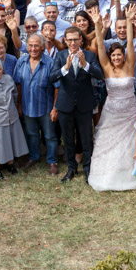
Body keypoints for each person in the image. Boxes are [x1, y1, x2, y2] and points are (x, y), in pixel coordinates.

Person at [89, 7, 136, 192]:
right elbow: (99, 47)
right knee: (109, 143)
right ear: (110, 57)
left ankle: (132, 176)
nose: (117, 57)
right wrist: (98, 24)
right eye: (114, 55)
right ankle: (108, 176)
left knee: (130, 144)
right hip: (112, 112)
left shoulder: (129, 65)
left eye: (119, 54)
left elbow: (129, 42)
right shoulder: (106, 67)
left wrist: (128, 21)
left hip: (130, 111)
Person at [49, 27, 104, 183]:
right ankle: (71, 169)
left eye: (75, 39)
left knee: (86, 138)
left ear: (81, 40)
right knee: (68, 139)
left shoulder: (89, 55)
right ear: (65, 41)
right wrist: (65, 68)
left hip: (84, 104)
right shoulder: (60, 56)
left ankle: (87, 169)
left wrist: (85, 64)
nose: (73, 43)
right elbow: (51, 78)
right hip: (65, 105)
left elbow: (99, 75)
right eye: (69, 40)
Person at [13, 34, 60, 174]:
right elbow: (18, 85)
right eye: (30, 45)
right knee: (31, 133)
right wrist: (19, 105)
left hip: (46, 107)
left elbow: (57, 87)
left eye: (36, 46)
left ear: (42, 47)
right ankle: (34, 157)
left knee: (50, 136)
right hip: (28, 107)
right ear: (27, 47)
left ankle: (52, 161)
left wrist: (55, 108)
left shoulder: (50, 63)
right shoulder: (21, 62)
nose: (33, 48)